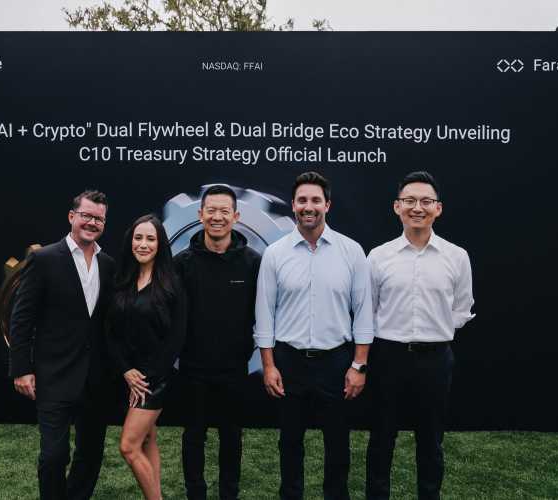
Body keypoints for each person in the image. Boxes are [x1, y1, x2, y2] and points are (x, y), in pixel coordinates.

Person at [254, 171, 375, 500]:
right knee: (289, 442)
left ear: (327, 205)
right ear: (293, 205)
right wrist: (269, 366)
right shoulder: (275, 254)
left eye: (316, 200)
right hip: (289, 362)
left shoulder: (351, 251)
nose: (309, 206)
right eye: (303, 200)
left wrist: (359, 366)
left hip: (336, 362)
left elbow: (364, 313)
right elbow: (264, 314)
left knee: (338, 443)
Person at [365, 171, 475, 500]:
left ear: (438, 208)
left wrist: (435, 330)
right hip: (388, 358)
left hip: (435, 359)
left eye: (426, 201)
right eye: (410, 200)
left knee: (430, 441)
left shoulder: (457, 256)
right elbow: (368, 310)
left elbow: (462, 307)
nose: (417, 207)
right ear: (397, 207)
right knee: (381, 438)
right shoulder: (378, 256)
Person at [9, 190, 116, 500]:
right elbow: (22, 318)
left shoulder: (108, 264)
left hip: (95, 379)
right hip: (54, 376)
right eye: (86, 215)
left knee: (91, 454)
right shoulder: (43, 259)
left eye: (99, 219)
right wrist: (21, 369)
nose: (92, 222)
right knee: (54, 456)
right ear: (72, 216)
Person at [174, 185, 262, 500]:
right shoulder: (181, 263)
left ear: (236, 216)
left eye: (224, 211)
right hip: (192, 369)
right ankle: (195, 493)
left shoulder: (253, 262)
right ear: (200, 215)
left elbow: (262, 315)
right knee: (193, 437)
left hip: (234, 369)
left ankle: (229, 494)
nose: (217, 217)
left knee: (232, 437)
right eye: (211, 210)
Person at [107, 214, 187, 500]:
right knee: (148, 438)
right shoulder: (122, 281)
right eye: (138, 238)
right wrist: (126, 371)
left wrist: (146, 378)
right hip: (128, 375)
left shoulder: (172, 284)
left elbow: (176, 339)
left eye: (150, 239)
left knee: (128, 446)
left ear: (160, 244)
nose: (143, 244)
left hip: (154, 379)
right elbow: (110, 332)